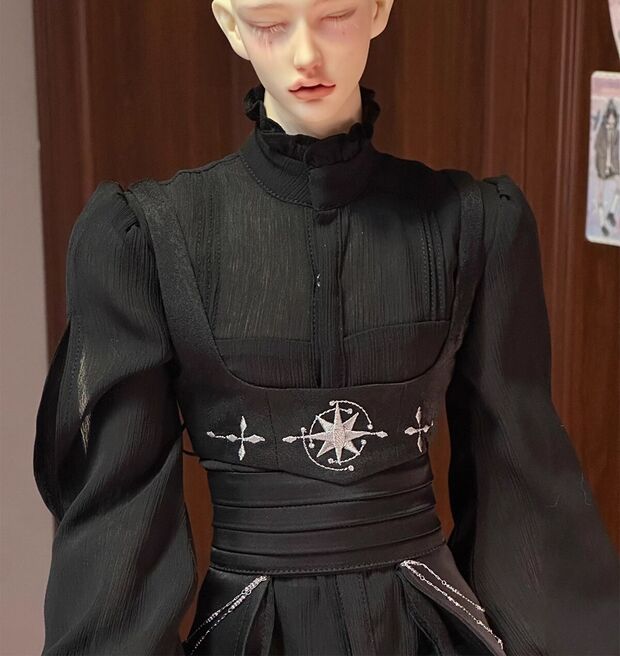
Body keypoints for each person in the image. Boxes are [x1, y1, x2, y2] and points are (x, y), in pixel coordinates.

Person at [34, 1, 620, 654]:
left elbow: (523, 483)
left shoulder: (470, 225)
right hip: (249, 632)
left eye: (334, 14)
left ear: (379, 8)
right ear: (229, 24)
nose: (306, 55)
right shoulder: (152, 238)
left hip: (427, 629)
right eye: (270, 23)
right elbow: (119, 526)